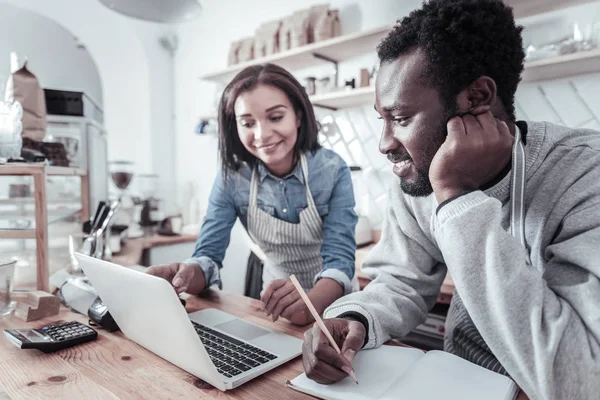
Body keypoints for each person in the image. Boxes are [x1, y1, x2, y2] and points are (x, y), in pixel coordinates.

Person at [301, 1, 600, 399]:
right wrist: (356, 315)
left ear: (477, 96)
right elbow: (402, 279)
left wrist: (457, 195)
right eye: (382, 119)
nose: (385, 143)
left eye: (401, 118)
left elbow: (578, 377)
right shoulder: (418, 172)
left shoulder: (585, 174)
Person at [148, 63, 358, 326]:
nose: (262, 135)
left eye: (276, 117)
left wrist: (310, 306)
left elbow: (340, 260)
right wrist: (186, 275)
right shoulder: (232, 178)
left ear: (299, 116)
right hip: (275, 308)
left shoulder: (330, 169)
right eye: (248, 123)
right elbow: (209, 255)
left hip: (332, 304)